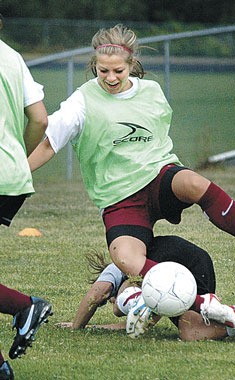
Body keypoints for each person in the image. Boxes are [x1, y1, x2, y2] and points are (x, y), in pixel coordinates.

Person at [28, 24, 235, 331]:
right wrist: (16, 175)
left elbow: (157, 145)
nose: (111, 78)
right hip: (119, 199)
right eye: (103, 71)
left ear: (131, 66)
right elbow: (48, 144)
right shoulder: (81, 101)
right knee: (125, 258)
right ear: (94, 66)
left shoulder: (152, 93)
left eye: (118, 71)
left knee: (194, 183)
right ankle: (212, 308)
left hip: (157, 178)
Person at [61, 236, 235, 342]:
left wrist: (76, 327)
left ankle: (133, 298)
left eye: (111, 300)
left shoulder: (119, 262)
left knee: (127, 295)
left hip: (178, 264)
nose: (111, 304)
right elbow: (138, 324)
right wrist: (95, 328)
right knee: (192, 333)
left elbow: (96, 294)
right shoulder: (153, 299)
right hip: (194, 265)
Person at [0, 14, 52, 379]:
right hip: (11, 176)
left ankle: (25, 306)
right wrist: (16, 154)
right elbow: (39, 118)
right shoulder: (11, 56)